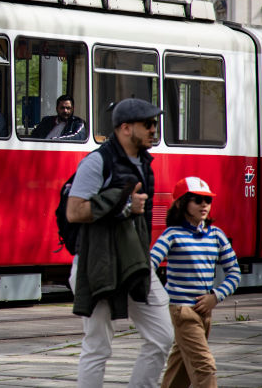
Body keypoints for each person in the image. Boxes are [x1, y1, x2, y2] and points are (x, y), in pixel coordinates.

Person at [66, 97, 173, 388]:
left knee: (163, 336)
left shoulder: (145, 164)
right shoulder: (97, 161)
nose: (154, 129)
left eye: (154, 123)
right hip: (97, 263)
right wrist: (124, 206)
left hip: (136, 262)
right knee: (98, 346)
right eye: (148, 124)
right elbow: (74, 211)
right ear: (126, 128)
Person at [150, 177, 240, 388]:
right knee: (204, 367)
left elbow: (234, 273)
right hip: (182, 311)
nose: (204, 205)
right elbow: (149, 264)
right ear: (182, 204)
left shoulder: (216, 235)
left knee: (179, 370)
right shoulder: (172, 234)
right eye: (197, 200)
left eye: (207, 200)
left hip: (205, 312)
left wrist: (215, 297)